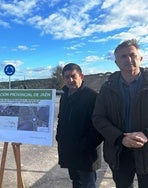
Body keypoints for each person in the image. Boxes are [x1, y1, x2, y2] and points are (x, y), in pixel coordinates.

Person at [92, 39, 148, 188]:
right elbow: (98, 118)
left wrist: (146, 134)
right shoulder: (107, 87)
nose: (128, 59)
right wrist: (119, 138)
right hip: (119, 153)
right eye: (123, 56)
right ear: (116, 62)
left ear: (141, 59)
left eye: (132, 55)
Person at [56, 63, 103, 188]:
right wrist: (59, 137)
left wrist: (85, 144)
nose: (70, 80)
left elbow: (98, 125)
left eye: (73, 76)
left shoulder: (92, 96)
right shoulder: (64, 96)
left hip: (86, 151)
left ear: (81, 76)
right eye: (67, 77)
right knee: (76, 181)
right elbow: (61, 118)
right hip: (70, 149)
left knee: (87, 182)